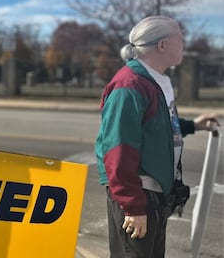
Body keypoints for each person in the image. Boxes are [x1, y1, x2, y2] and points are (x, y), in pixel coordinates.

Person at [94, 15, 219, 257]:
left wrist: (193, 125)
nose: (184, 44)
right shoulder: (129, 85)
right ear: (162, 45)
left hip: (154, 194)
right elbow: (116, 149)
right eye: (180, 39)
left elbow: (159, 126)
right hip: (139, 193)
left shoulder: (156, 80)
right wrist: (133, 206)